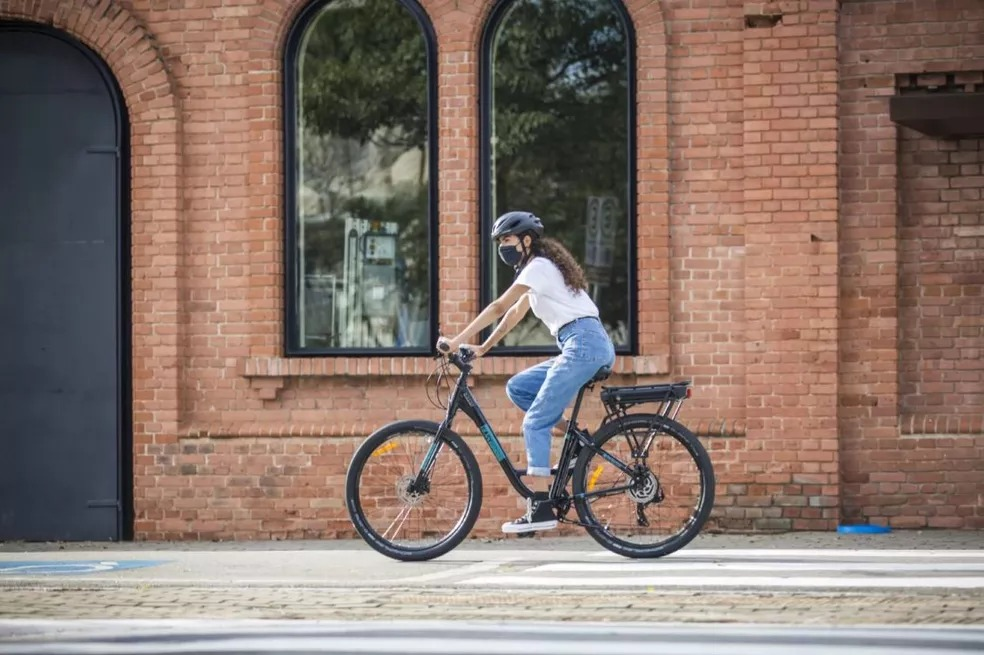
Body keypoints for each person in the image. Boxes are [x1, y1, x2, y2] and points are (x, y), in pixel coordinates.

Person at [436, 210, 616, 534]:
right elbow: (513, 317)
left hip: (584, 344)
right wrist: (482, 348)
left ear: (526, 240)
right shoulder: (536, 273)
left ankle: (541, 505)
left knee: (535, 421)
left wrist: (455, 341)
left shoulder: (539, 267)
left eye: (507, 239)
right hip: (579, 344)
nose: (503, 246)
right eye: (500, 242)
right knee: (519, 388)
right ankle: (577, 440)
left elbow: (498, 307)